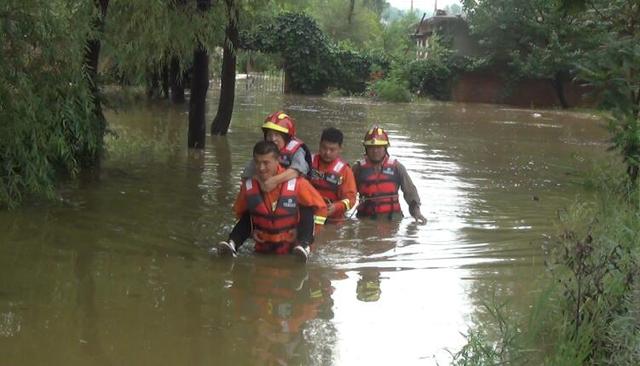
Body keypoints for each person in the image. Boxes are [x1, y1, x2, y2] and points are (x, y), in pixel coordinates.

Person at [218, 141, 327, 261]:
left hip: (292, 248)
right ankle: (232, 244)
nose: (261, 168)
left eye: (266, 163)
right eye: (257, 162)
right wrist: (251, 233)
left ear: (277, 160)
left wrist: (305, 234)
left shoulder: (298, 184)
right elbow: (239, 212)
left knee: (307, 209)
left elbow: (321, 209)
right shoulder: (248, 185)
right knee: (248, 213)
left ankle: (304, 245)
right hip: (263, 247)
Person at [352, 125, 427, 224]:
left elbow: (410, 191)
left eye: (379, 147)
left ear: (385, 148)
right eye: (371, 148)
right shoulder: (357, 169)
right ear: (366, 148)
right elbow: (347, 194)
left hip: (393, 220)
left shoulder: (397, 167)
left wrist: (416, 211)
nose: (375, 151)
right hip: (365, 220)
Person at [241, 111, 312, 192]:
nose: (272, 139)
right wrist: (259, 181)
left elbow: (298, 170)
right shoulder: (263, 150)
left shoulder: (297, 150)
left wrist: (274, 181)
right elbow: (246, 174)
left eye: (277, 135)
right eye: (269, 135)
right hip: (266, 189)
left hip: (291, 192)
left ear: (286, 137)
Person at [308, 127, 357, 221]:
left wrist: (337, 207)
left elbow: (351, 199)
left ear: (340, 149)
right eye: (324, 148)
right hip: (308, 216)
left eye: (332, 149)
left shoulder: (345, 171)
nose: (327, 153)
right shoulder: (307, 162)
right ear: (319, 145)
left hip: (333, 221)